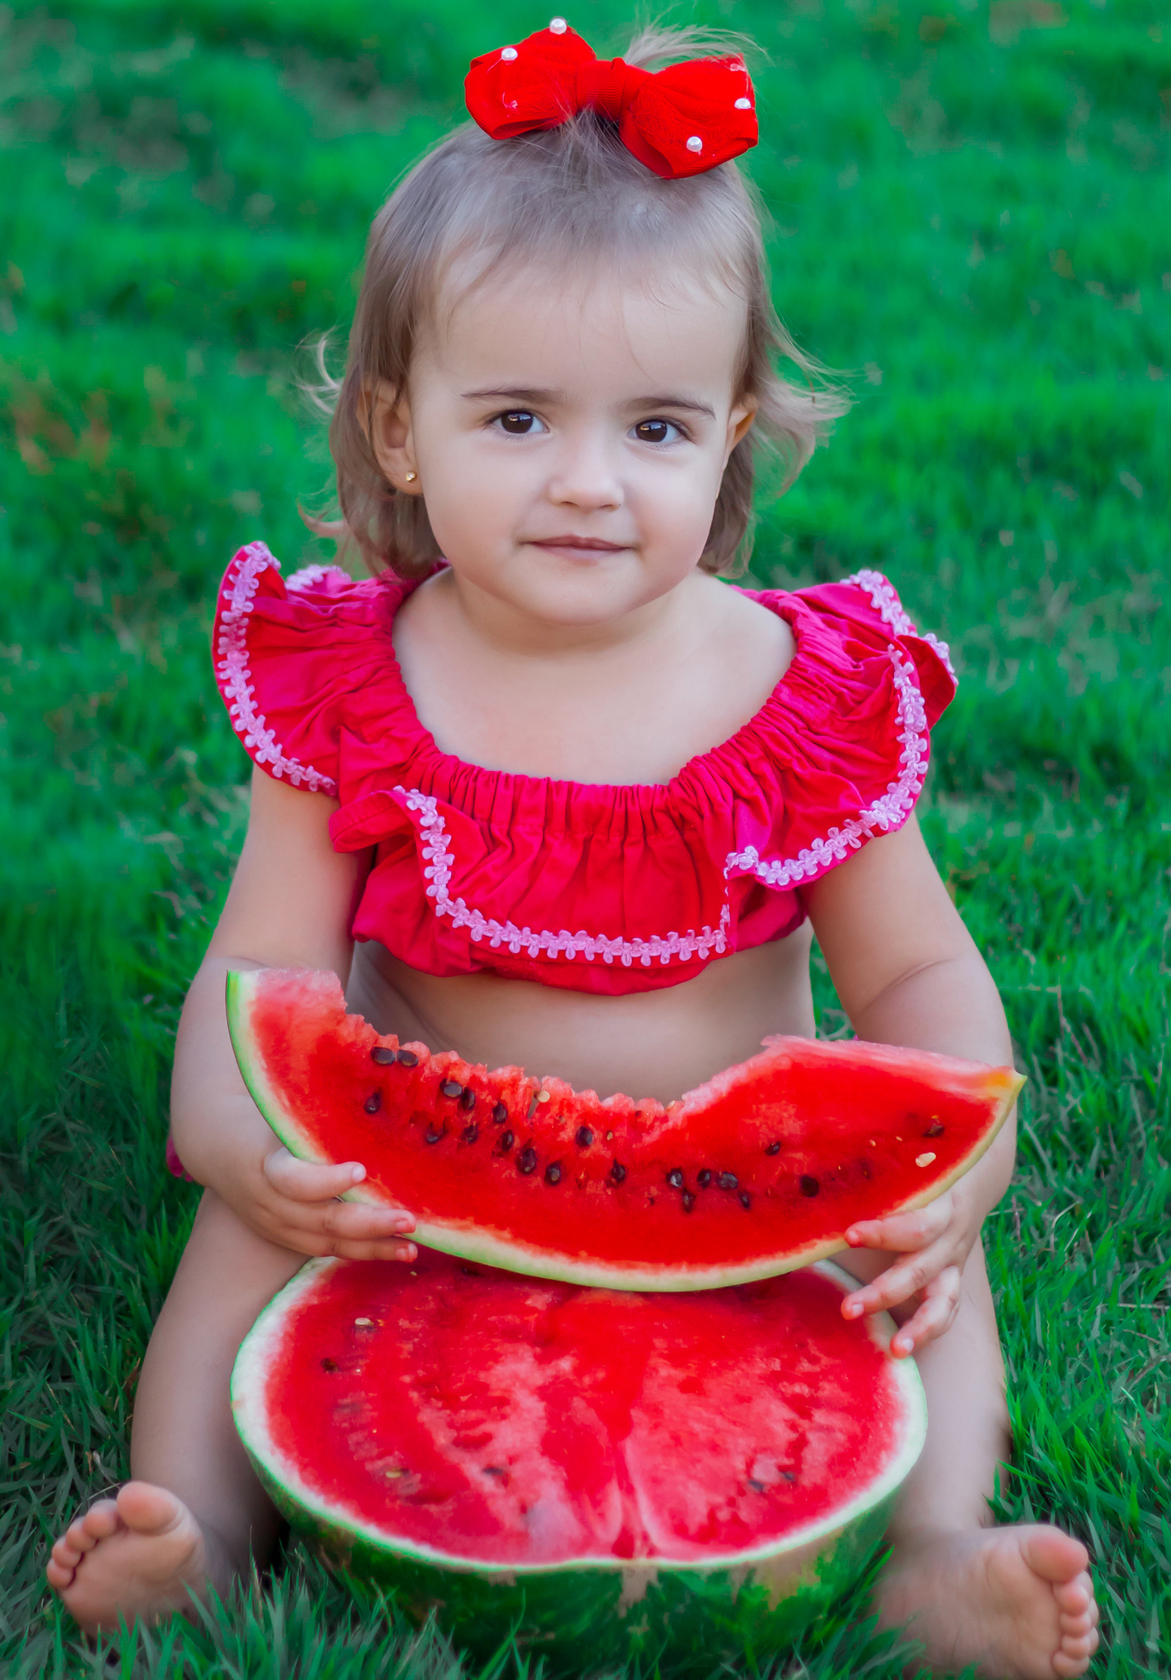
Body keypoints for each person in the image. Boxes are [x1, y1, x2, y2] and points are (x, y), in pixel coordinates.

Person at [47, 20, 1098, 1676]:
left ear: (732, 433)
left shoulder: (800, 694)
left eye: (656, 430)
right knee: (241, 1242)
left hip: (737, 1182)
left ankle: (934, 1549)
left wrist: (961, 1156)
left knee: (920, 1288)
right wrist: (238, 1141)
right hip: (408, 1181)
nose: (590, 485)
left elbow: (914, 973)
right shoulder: (352, 685)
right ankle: (195, 1526)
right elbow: (262, 968)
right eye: (520, 419)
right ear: (401, 431)